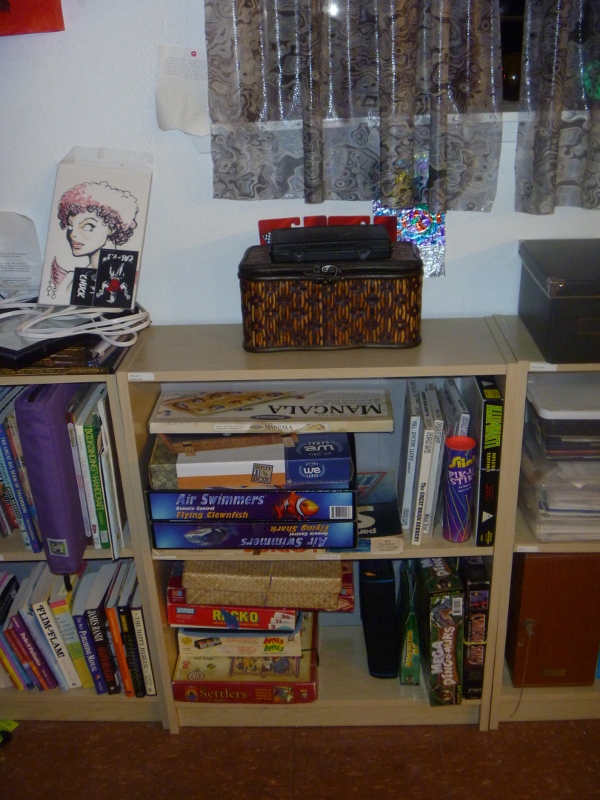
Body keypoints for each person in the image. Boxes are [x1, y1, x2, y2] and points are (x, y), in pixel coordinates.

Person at [45, 180, 139, 305]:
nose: (73, 234)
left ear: (112, 228)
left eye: (87, 226)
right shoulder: (70, 280)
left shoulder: (127, 276)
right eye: (70, 226)